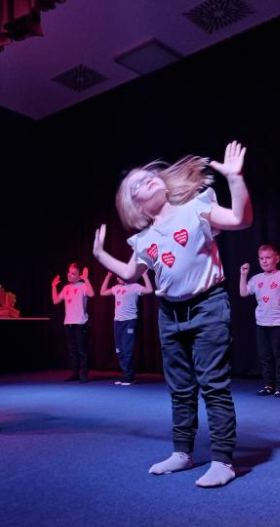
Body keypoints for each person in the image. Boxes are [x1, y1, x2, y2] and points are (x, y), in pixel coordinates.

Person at [93, 141, 252, 488]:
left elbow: (240, 219)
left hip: (209, 303)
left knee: (213, 385)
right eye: (136, 185)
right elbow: (130, 273)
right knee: (180, 388)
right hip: (169, 312)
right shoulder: (143, 238)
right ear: (133, 204)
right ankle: (182, 452)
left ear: (164, 181)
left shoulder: (197, 206)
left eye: (148, 176)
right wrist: (100, 254)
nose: (146, 181)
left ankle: (223, 460)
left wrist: (236, 179)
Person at [239, 244, 280, 398]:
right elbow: (243, 293)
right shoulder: (256, 278)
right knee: (265, 355)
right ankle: (269, 384)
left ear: (277, 259)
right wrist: (243, 274)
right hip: (262, 323)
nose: (264, 261)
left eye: (268, 258)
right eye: (261, 258)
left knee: (279, 355)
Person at [100, 271, 153, 385]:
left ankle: (129, 377)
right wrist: (108, 277)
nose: (119, 278)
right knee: (119, 350)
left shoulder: (134, 287)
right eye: (117, 277)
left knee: (127, 350)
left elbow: (149, 290)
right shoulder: (116, 288)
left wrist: (144, 275)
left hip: (129, 321)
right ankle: (126, 375)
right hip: (117, 322)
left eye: (121, 276)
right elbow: (103, 292)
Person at [51, 263, 95, 383]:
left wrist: (86, 279)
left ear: (78, 276)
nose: (70, 275)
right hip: (68, 323)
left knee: (82, 350)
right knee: (72, 350)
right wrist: (53, 286)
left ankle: (84, 374)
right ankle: (75, 373)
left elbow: (91, 294)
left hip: (80, 323)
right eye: (69, 272)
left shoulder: (83, 286)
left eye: (73, 273)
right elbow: (55, 301)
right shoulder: (66, 288)